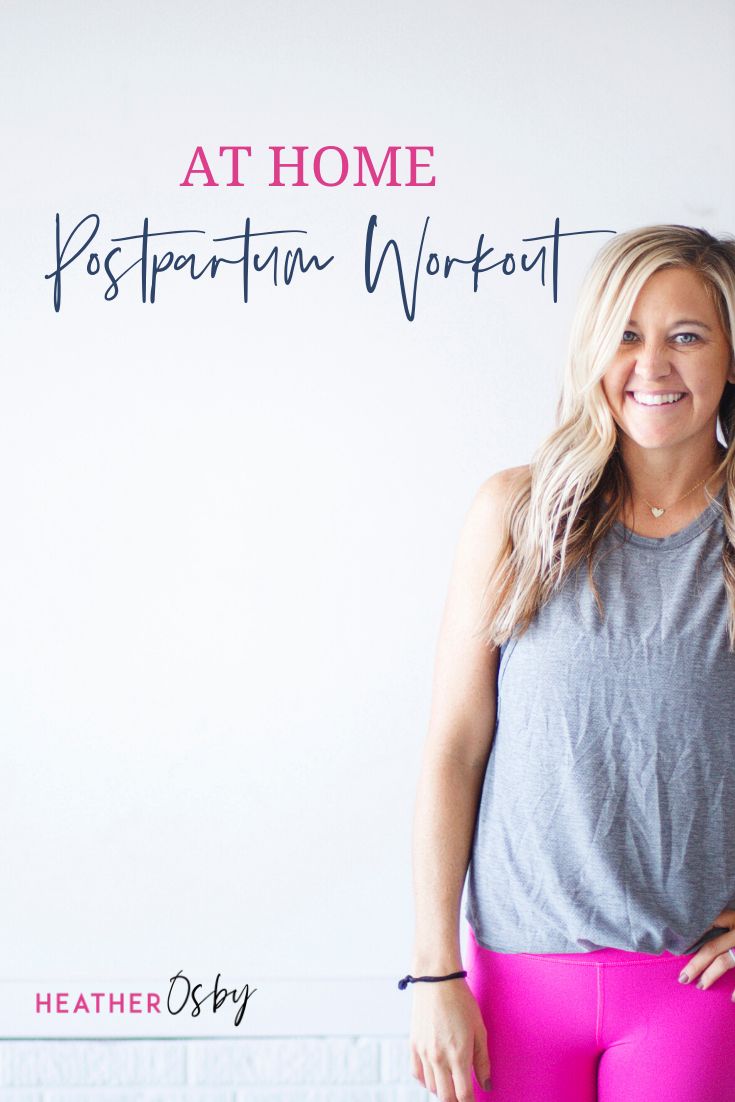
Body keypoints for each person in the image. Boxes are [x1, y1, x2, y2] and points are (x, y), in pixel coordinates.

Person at [405, 224, 735, 1102]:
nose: (652, 365)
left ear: (731, 355)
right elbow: (454, 749)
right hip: (511, 985)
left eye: (686, 335)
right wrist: (434, 976)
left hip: (693, 989)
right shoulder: (515, 513)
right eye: (626, 333)